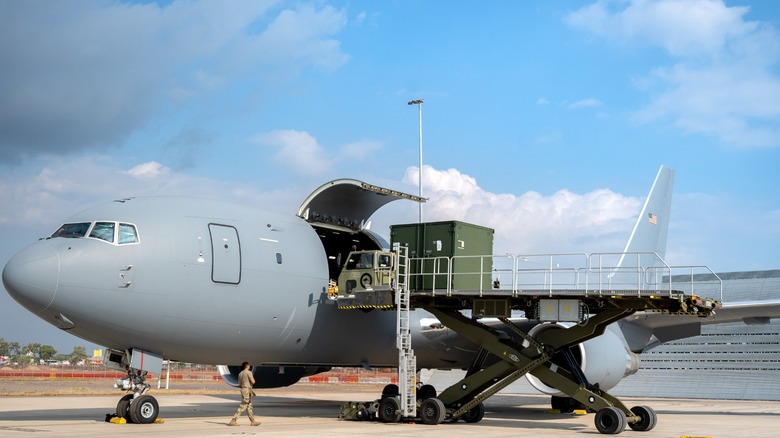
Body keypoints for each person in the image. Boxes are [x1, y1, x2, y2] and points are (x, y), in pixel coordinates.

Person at [228, 362, 260, 426]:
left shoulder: (240, 373)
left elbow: (239, 383)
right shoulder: (249, 372)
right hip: (247, 390)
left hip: (243, 390)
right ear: (247, 366)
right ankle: (233, 420)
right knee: (243, 406)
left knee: (249, 406)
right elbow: (253, 381)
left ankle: (253, 421)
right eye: (249, 365)